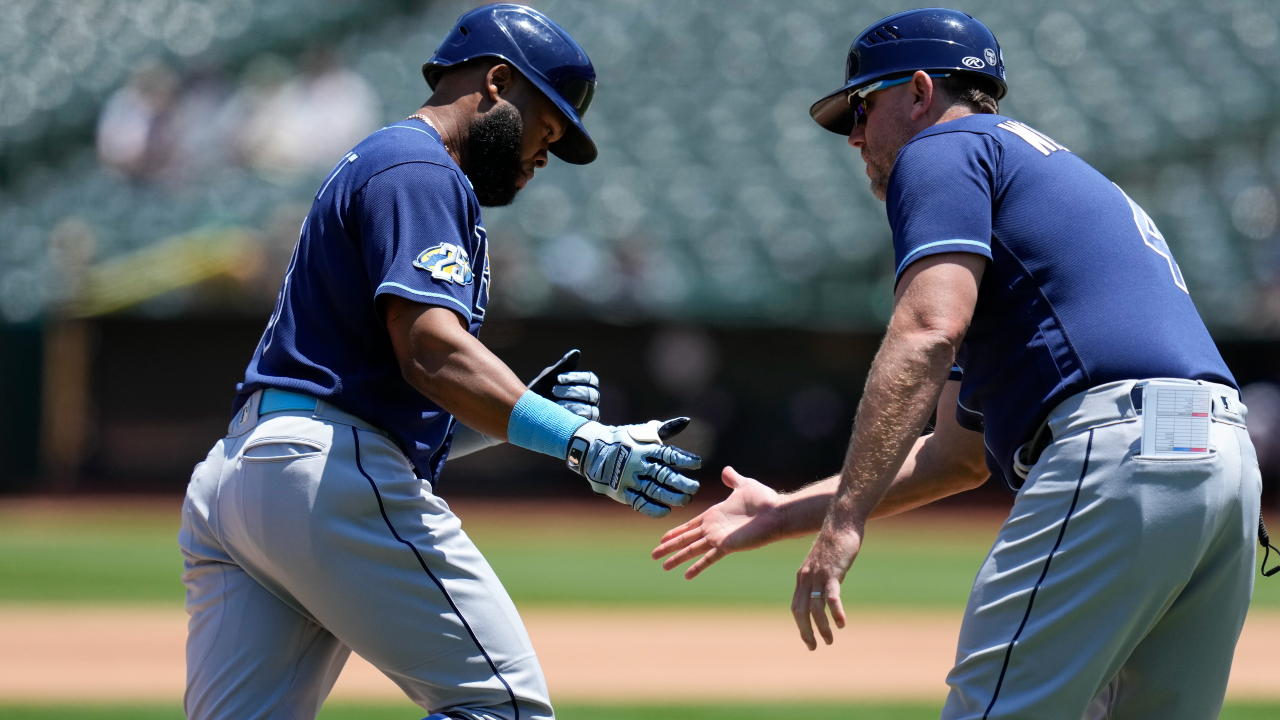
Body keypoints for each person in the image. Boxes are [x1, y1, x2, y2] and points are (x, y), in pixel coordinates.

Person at [654, 8, 1261, 719]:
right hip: (1217, 461)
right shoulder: (1049, 184)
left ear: (917, 92)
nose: (852, 135)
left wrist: (845, 521)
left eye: (860, 105)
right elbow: (955, 458)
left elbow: (925, 331)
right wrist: (788, 510)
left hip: (1118, 449)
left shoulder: (943, 148)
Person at [179, 5, 700, 720]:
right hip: (318, 472)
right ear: (495, 83)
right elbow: (431, 351)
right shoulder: (422, 170)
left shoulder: (385, 161)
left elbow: (381, 389)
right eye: (544, 129)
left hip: (242, 477)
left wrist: (524, 413)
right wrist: (584, 443)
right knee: (502, 706)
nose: (543, 156)